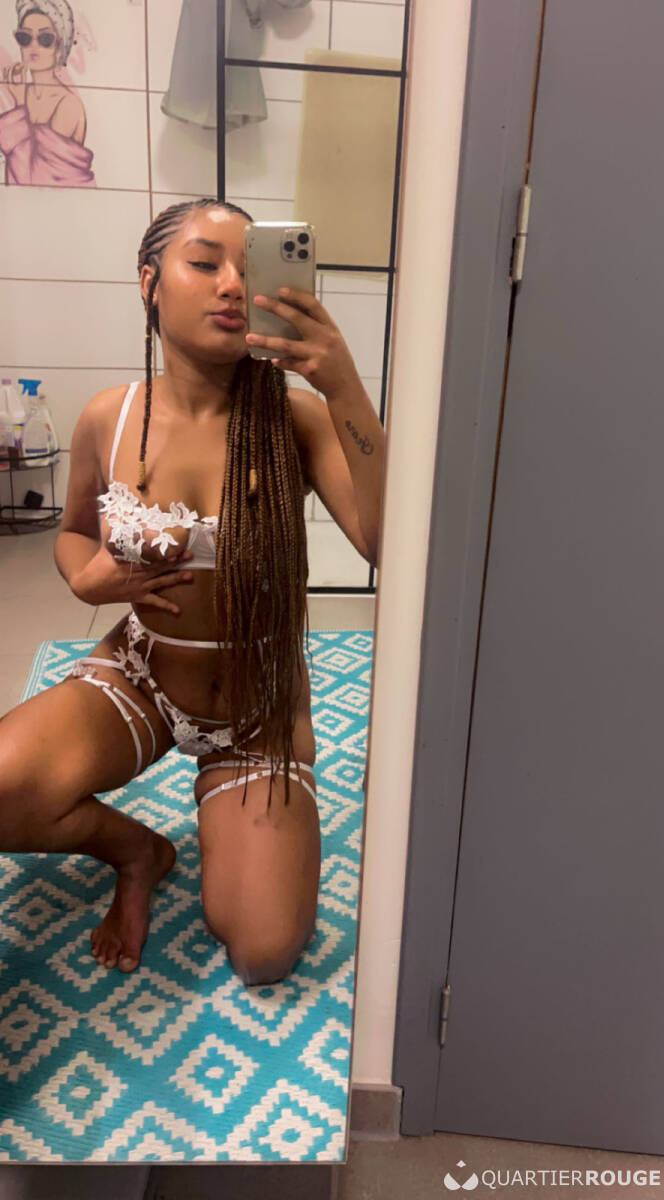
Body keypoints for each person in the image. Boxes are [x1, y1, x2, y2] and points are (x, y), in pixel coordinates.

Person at [0, 197, 384, 985]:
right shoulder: (110, 416)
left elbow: (386, 543)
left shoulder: (297, 418)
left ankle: (228, 814)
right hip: (142, 674)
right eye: (205, 263)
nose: (233, 284)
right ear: (149, 282)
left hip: (257, 707)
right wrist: (87, 579)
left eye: (249, 268)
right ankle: (138, 853)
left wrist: (342, 381)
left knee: (262, 951)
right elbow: (72, 533)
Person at [0, 0, 95, 187]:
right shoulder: (21, 91)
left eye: (45, 39)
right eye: (25, 37)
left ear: (60, 47)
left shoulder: (68, 105)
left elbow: (34, 180)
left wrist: (19, 105)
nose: (33, 46)